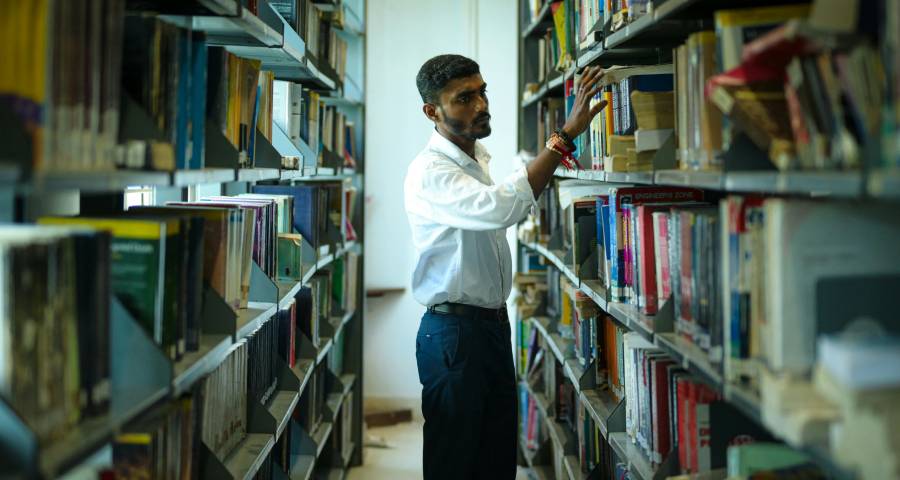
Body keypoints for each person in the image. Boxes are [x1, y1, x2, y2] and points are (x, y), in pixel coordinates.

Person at [404, 54, 607, 480]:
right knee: (456, 465)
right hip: (454, 336)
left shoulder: (477, 158)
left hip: (489, 329)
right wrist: (563, 138)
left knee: (496, 462)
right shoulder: (430, 171)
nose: (480, 105)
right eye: (464, 98)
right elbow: (500, 208)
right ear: (431, 112)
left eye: (482, 92)